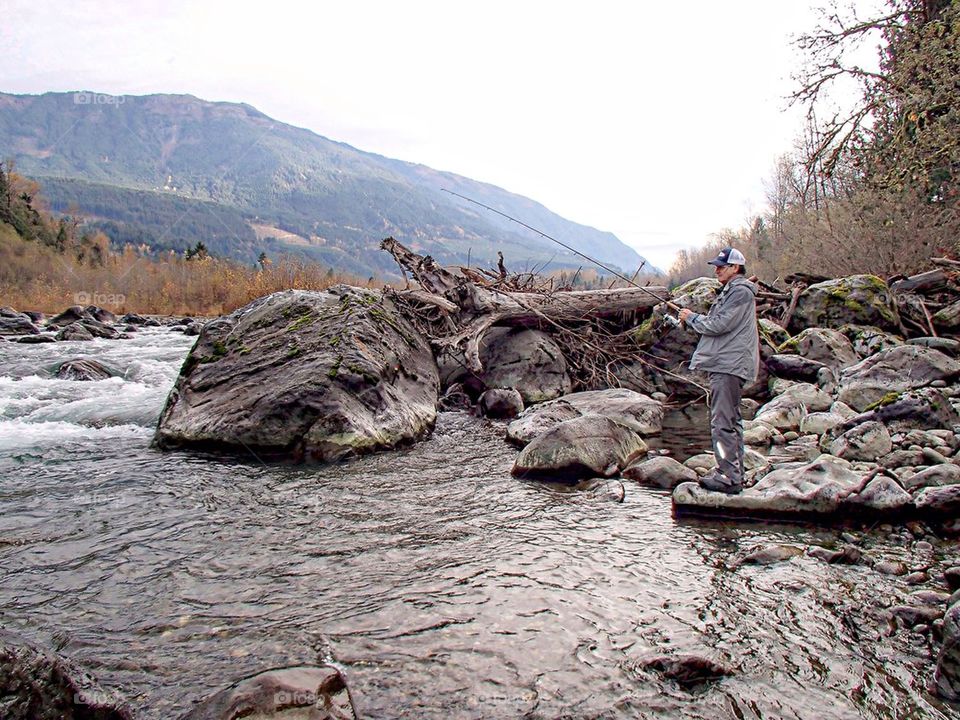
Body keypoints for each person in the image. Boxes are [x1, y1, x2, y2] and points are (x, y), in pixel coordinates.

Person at [678, 248, 759, 494]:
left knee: (722, 422)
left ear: (736, 268)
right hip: (728, 364)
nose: (717, 270)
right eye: (716, 266)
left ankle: (728, 476)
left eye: (722, 266)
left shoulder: (739, 293)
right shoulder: (733, 292)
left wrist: (691, 317)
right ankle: (734, 473)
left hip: (729, 365)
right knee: (731, 421)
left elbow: (718, 325)